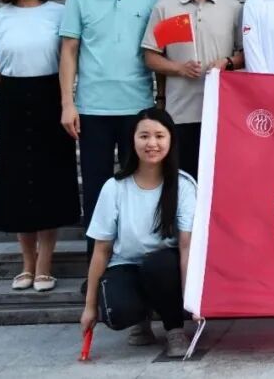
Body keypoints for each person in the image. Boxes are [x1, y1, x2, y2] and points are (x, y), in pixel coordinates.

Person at [0, 0, 79, 293]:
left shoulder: (60, 13)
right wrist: (17, 89)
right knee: (17, 179)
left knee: (50, 176)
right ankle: (26, 263)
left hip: (51, 97)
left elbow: (69, 57)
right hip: (12, 99)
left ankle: (45, 264)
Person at [59, 0, 159, 260]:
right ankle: (96, 266)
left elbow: (157, 51)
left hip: (138, 108)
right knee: (97, 188)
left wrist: (159, 101)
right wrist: (67, 103)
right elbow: (69, 50)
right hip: (93, 110)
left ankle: (135, 260)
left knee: (140, 186)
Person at [80, 108, 197, 359]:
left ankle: (174, 329)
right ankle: (139, 319)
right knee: (117, 312)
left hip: (165, 266)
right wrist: (89, 307)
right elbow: (101, 249)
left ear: (171, 140)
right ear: (133, 141)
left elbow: (187, 246)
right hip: (126, 264)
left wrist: (192, 300)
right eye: (144, 136)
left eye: (159, 136)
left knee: (159, 265)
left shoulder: (184, 186)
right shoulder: (114, 187)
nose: (151, 143)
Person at [142, 0, 242, 179]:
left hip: (221, 112)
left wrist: (227, 62)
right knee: (183, 179)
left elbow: (244, 54)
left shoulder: (233, 8)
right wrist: (179, 68)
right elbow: (151, 57)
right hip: (180, 112)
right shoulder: (166, 8)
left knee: (220, 179)